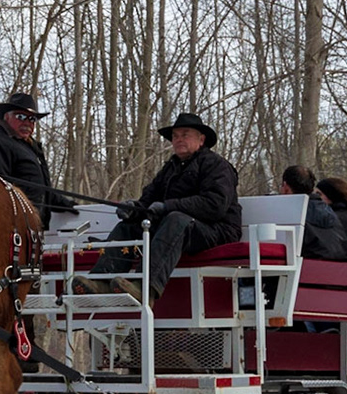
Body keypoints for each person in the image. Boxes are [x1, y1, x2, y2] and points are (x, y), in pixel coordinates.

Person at [83, 112, 241, 303]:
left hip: (217, 230)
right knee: (129, 226)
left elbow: (215, 205)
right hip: (178, 228)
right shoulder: (171, 168)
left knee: (176, 219)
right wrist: (134, 209)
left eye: (185, 134)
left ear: (201, 139)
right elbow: (149, 200)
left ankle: (144, 287)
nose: (178, 139)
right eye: (175, 136)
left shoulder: (217, 165)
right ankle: (100, 281)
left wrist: (167, 206)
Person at [0, 92, 76, 225]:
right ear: (6, 117)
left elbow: (38, 188)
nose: (27, 123)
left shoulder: (29, 147)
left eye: (32, 119)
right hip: (7, 226)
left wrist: (65, 204)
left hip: (30, 226)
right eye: (21, 117)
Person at [281, 164, 346, 261]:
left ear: (286, 187)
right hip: (337, 267)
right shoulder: (329, 211)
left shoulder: (288, 212)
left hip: (306, 269)